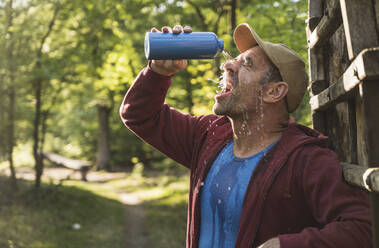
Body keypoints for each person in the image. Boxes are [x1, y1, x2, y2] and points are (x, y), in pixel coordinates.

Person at [120, 23, 372, 248]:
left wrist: (283, 245)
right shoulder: (208, 136)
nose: (228, 64)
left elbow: (363, 229)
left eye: (247, 64)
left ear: (274, 92)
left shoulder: (306, 159)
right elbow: (140, 116)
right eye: (235, 60)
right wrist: (158, 73)